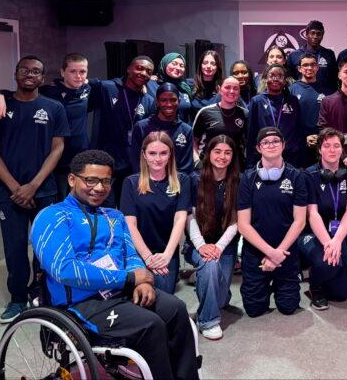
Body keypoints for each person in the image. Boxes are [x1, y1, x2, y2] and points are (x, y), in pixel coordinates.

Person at [30, 150, 199, 380]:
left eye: (105, 181)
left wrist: (143, 281)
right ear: (72, 179)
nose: (99, 188)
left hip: (121, 292)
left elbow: (130, 254)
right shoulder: (52, 217)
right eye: (90, 180)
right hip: (80, 304)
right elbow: (65, 269)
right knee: (150, 325)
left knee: (176, 309)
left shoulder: (114, 216)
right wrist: (130, 279)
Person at [0, 56, 70, 324]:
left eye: (36, 71)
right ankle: (18, 299)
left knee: (44, 245)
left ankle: (41, 292)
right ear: (16, 73)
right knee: (15, 247)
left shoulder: (53, 107)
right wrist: (15, 187)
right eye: (25, 70)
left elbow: (58, 148)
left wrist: (33, 185)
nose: (30, 75)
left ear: (42, 78)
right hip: (10, 192)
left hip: (44, 190)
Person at [0, 52, 92, 199]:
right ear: (62, 72)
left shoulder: (88, 89)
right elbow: (22, 92)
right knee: (58, 205)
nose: (78, 76)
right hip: (52, 160)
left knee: (81, 205)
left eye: (82, 72)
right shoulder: (48, 92)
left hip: (80, 158)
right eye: (73, 71)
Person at [237, 128, 307, 317]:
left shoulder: (297, 176)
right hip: (256, 253)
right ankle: (262, 285)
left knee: (288, 307)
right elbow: (243, 225)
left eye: (276, 141)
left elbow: (299, 221)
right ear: (258, 148)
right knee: (254, 310)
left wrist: (278, 255)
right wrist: (270, 253)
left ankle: (279, 283)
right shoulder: (247, 179)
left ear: (283, 145)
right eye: (266, 142)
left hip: (286, 251)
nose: (271, 145)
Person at [121, 131, 192, 293]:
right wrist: (147, 257)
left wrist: (167, 255)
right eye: (152, 153)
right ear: (144, 155)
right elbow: (130, 224)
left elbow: (180, 219)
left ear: (170, 155)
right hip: (139, 252)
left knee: (165, 294)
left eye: (163, 153)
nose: (158, 159)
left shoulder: (182, 181)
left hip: (167, 252)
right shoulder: (131, 183)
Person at [184, 135, 239, 340]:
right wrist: (201, 246)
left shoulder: (238, 181)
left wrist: (219, 247)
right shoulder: (192, 179)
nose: (222, 157)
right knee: (209, 265)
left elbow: (236, 220)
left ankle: (208, 284)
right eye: (217, 151)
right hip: (197, 244)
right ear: (208, 153)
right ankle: (208, 320)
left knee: (221, 297)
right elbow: (189, 218)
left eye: (227, 152)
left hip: (225, 246)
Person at [300, 128, 347, 310]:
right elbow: (313, 213)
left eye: (336, 146)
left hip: (338, 235)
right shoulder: (308, 175)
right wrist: (328, 243)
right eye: (327, 146)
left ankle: (328, 271)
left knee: (341, 294)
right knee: (327, 262)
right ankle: (315, 286)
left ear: (343, 149)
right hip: (312, 234)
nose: (332, 150)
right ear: (319, 149)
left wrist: (337, 241)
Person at [89, 55, 155, 206]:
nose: (143, 73)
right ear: (129, 69)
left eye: (148, 71)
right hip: (105, 161)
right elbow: (85, 86)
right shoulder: (108, 88)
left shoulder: (148, 101)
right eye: (139, 68)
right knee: (105, 208)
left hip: (132, 164)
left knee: (128, 209)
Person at [246, 64, 303, 167]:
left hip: (290, 157)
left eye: (280, 76)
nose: (276, 79)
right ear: (265, 78)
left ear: (285, 80)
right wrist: (250, 163)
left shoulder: (292, 100)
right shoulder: (257, 101)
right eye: (272, 75)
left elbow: (299, 129)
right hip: (265, 155)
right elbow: (251, 134)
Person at [130, 83, 194, 175]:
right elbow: (136, 162)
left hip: (175, 185)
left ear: (179, 101)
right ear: (157, 102)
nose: (168, 104)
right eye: (163, 100)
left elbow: (186, 167)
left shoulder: (186, 130)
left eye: (173, 100)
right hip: (146, 183)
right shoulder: (141, 127)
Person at [192, 76, 248, 165]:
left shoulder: (245, 114)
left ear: (239, 91)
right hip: (207, 166)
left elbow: (249, 143)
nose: (231, 91)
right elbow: (193, 140)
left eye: (236, 88)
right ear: (219, 89)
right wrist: (197, 161)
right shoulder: (205, 112)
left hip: (236, 167)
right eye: (227, 87)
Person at [289, 52, 334, 161]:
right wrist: (304, 138)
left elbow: (331, 118)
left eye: (313, 64)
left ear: (317, 67)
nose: (309, 68)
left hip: (323, 141)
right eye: (305, 65)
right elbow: (289, 120)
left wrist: (321, 136)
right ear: (299, 68)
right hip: (299, 143)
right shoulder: (291, 90)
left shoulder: (327, 90)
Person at [286, 19, 338, 88]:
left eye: (318, 34)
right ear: (306, 34)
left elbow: (334, 79)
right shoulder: (294, 55)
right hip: (301, 96)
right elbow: (289, 79)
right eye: (312, 33)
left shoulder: (329, 54)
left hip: (324, 96)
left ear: (322, 35)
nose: (315, 36)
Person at [147, 52, 194, 123]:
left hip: (181, 132)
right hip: (157, 131)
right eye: (174, 63)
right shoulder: (150, 84)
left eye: (181, 65)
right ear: (165, 64)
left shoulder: (185, 87)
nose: (178, 68)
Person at [190, 49, 224, 119]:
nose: (208, 66)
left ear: (217, 67)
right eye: (205, 63)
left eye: (213, 63)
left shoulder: (223, 87)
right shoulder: (190, 84)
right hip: (194, 128)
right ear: (200, 65)